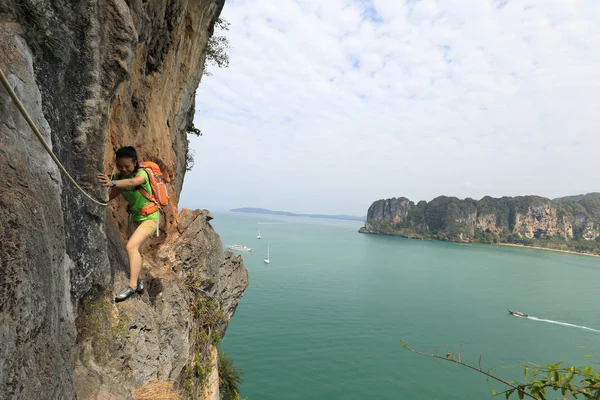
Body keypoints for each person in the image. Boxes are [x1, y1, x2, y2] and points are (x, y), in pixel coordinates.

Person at [97, 146, 160, 302]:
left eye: (127, 166)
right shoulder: (119, 177)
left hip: (150, 218)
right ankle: (139, 282)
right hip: (136, 218)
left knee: (131, 247)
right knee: (134, 249)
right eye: (120, 166)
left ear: (135, 163)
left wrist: (113, 182)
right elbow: (110, 196)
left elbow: (134, 181)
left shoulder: (142, 174)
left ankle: (131, 287)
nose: (123, 169)